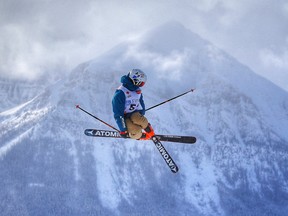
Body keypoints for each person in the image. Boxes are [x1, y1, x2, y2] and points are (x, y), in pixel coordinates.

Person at [112, 69, 155, 140]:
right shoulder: (120, 94)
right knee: (136, 130)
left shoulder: (137, 91)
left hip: (134, 113)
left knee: (142, 121)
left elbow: (140, 102)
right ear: (135, 80)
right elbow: (118, 114)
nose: (141, 86)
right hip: (124, 117)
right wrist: (123, 130)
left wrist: (142, 113)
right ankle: (140, 136)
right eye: (141, 83)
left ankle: (149, 131)